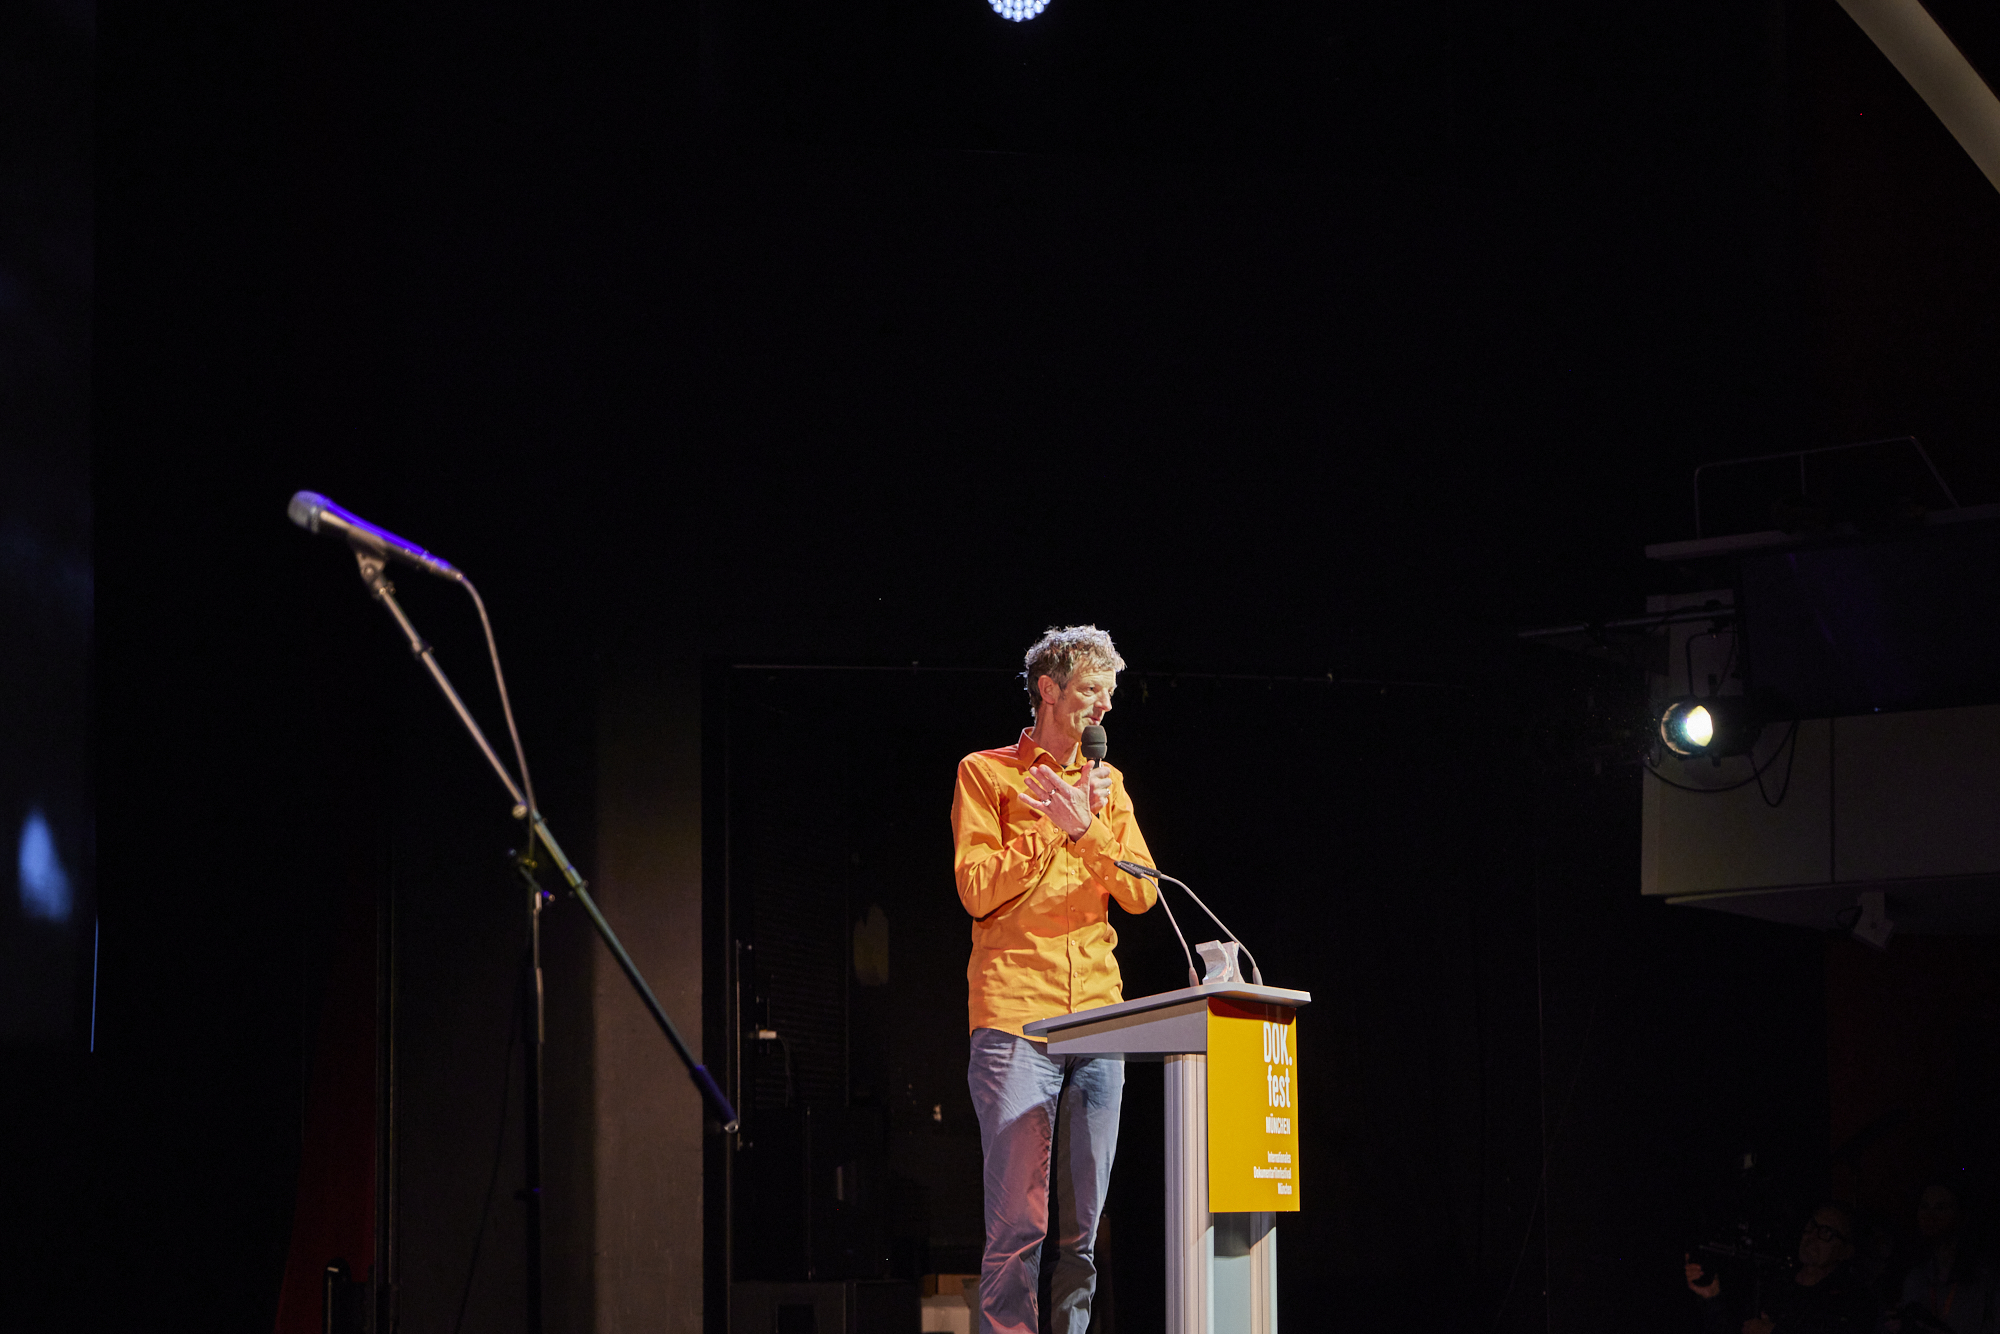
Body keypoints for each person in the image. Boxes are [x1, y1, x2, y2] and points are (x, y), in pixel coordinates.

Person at [952, 625, 1158, 1334]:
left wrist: (1088, 826)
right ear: (1049, 689)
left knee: (1083, 1234)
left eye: (1110, 693)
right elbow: (977, 889)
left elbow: (1142, 893)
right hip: (1017, 1019)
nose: (1104, 706)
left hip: (1098, 1019)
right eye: (1090, 691)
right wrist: (1051, 825)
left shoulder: (1109, 787)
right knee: (1018, 1229)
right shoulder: (986, 774)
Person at [1686, 1204, 1881, 1334]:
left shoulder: (1852, 1299)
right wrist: (1712, 1299)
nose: (1812, 1235)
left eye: (1826, 1232)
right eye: (1812, 1225)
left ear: (1846, 1251)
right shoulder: (1773, 1280)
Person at [1887, 1183, 1998, 1334]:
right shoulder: (1915, 1278)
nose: (1929, 1216)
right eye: (1924, 1206)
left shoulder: (1987, 1280)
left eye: (1940, 1208)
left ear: (1962, 1216)